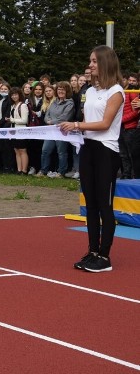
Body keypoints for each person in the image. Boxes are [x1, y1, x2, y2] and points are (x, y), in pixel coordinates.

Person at [59, 46, 125, 273]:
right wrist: (77, 132)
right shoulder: (91, 91)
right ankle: (93, 251)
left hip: (106, 150)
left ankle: (105, 256)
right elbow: (89, 119)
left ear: (105, 63)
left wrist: (76, 125)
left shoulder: (116, 91)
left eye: (94, 61)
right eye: (90, 61)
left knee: (104, 205)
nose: (90, 65)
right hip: (88, 148)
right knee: (91, 204)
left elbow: (105, 124)